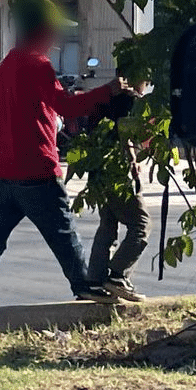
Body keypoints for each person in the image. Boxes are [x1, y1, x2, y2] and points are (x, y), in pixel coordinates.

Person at [0, 0, 133, 310]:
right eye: (53, 31)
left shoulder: (8, 63)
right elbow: (67, 106)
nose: (56, 38)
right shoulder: (38, 65)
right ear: (41, 31)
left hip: (4, 171)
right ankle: (83, 286)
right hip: (36, 168)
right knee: (63, 233)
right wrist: (109, 90)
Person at [81, 90, 151, 303]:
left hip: (99, 170)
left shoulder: (106, 97)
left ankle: (95, 280)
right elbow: (126, 133)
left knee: (108, 224)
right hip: (117, 170)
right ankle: (118, 275)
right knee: (141, 224)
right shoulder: (132, 100)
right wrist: (132, 161)